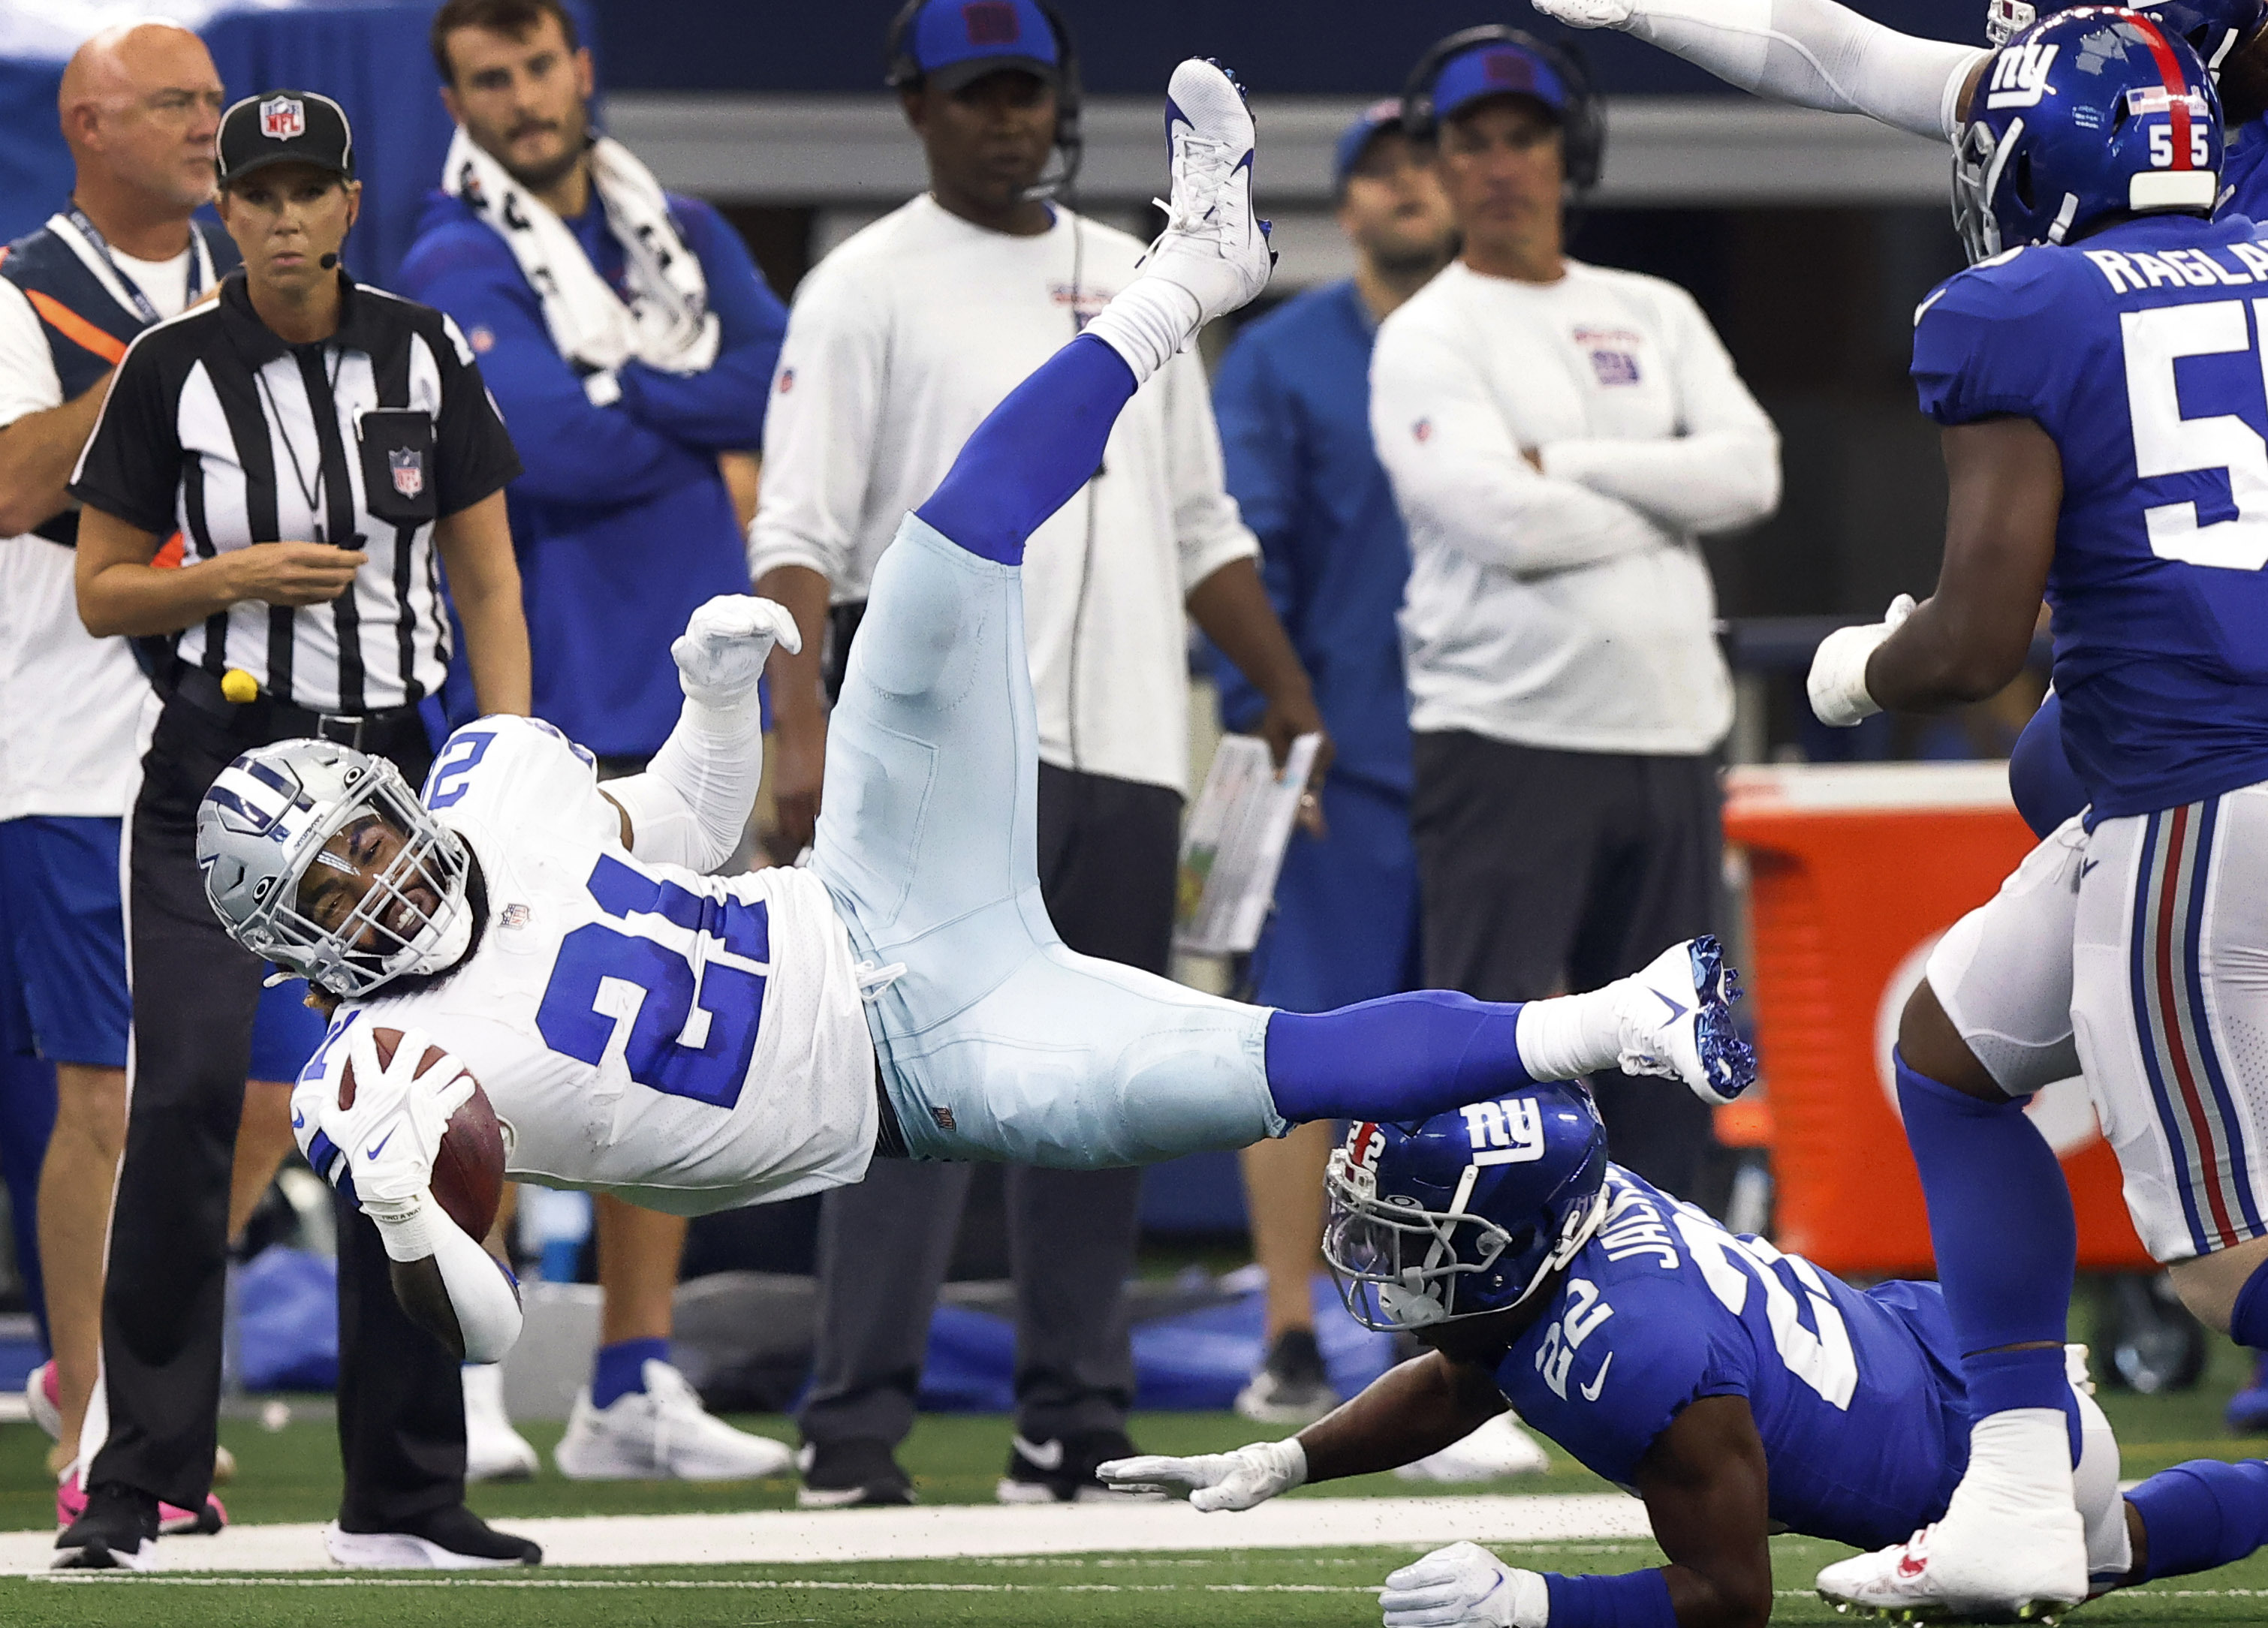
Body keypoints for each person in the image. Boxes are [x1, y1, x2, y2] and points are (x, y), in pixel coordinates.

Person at [193, 61, 1757, 1466]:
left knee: (937, 552)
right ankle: (1627, 1019)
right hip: (935, 1070)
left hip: (858, 892)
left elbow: (679, 817)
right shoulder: (371, 1069)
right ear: (296, 947)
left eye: (361, 830)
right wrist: (404, 1207)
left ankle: (1185, 272)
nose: (377, 870)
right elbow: (466, 1327)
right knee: (1271, 1061)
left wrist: (716, 697)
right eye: (331, 882)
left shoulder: (486, 790)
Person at [749, 0, 1330, 1508]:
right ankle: (852, 1428)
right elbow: (799, 534)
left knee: (1106, 1085)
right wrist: (794, 728)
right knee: (903, 1099)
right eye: (975, 95)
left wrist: (1279, 692)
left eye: (1028, 92)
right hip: (945, 760)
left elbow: (1200, 523)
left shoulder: (1141, 284)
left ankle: (1071, 1419)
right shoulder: (859, 285)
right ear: (915, 110)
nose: (1008, 119)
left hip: (1132, 737)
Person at [1782, 11, 2268, 1617]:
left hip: (2195, 796)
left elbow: (1977, 640)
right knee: (1953, 1047)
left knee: (2213, 1257)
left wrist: (1854, 665)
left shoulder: (2017, 306)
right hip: (2172, 770)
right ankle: (2012, 1486)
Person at [59, 89, 537, 1572]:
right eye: (254, 192)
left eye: (304, 191)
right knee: (192, 1105)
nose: (278, 216)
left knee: (405, 1115)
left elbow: (492, 588)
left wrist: (502, 765)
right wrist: (231, 575)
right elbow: (100, 586)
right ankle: (137, 1480)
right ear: (228, 207)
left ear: (345, 205)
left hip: (389, 782)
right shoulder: (169, 365)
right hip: (229, 774)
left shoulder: (422, 350)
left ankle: (404, 1491)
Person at [1095, 1089, 2268, 1627]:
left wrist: (1530, 1604)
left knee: (2102, 1547)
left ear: (1509, 1233)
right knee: (2113, 1542)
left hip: (1971, 1474)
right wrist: (1284, 1460)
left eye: (1415, 1237)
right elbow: (1472, 1369)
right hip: (1941, 1352)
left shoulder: (1640, 1356)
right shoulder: (1579, 1222)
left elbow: (1727, 1597)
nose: (1375, 1258)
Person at [397, 0, 792, 1487]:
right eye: (485, 80)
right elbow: (544, 443)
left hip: (688, 701)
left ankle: (632, 1379)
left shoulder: (676, 224)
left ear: (580, 68)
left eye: (536, 66)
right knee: (481, 1049)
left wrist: (631, 390)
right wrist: (679, 409)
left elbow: (781, 378)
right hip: (535, 707)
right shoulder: (451, 256)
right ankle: (468, 1372)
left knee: (675, 1039)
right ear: (458, 98)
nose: (520, 98)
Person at [0, 21, 348, 1533]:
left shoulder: (270, 297)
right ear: (88, 120)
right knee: (108, 1104)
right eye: (176, 104)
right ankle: (100, 1399)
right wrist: (174, 355)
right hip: (72, 747)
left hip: (249, 757)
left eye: (216, 100)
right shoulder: (25, 290)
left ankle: (123, 1362)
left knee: (261, 1100)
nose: (212, 127)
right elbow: (11, 481)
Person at [1370, 29, 1782, 1205]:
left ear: (1569, 152)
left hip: (1665, 737)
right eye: (1472, 142)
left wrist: (1576, 461)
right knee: (1479, 1078)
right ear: (1439, 166)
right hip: (1508, 740)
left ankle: (1670, 1357)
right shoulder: (1426, 333)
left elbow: (1752, 474)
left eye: (1525, 138)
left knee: (1667, 1070)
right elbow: (1505, 522)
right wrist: (1662, 493)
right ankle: (1459, 1365)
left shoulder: (1651, 307)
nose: (1501, 164)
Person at [1203, 101, 1462, 1432]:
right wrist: (1267, 726)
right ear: (1344, 203)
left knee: (1482, 1058)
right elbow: (1240, 548)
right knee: (1302, 1052)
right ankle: (1291, 1335)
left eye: (1429, 162)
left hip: (1493, 760)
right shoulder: (1285, 358)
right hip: (1330, 764)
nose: (1409, 186)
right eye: (1381, 171)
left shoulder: (1502, 335)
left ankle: (1464, 1338)